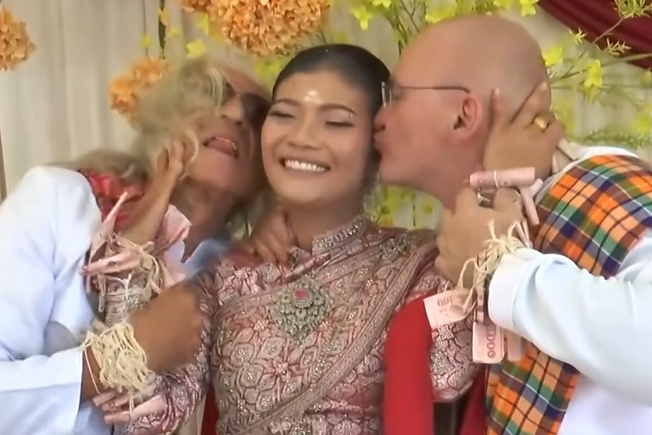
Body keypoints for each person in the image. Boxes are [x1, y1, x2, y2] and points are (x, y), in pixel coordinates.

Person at [101, 43, 477, 435]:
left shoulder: (421, 262)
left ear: (377, 142)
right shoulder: (223, 277)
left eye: (336, 122)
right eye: (284, 115)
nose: (302, 137)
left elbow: (448, 374)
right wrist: (136, 244)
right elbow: (142, 417)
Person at [374, 14, 652, 435]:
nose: (378, 117)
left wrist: (499, 267)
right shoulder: (473, 230)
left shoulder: (607, 188)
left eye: (395, 96)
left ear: (463, 116)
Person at [0, 56, 269, 435]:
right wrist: (115, 360)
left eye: (258, 114)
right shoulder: (57, 200)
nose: (237, 113)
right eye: (215, 94)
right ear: (169, 118)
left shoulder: (241, 279)